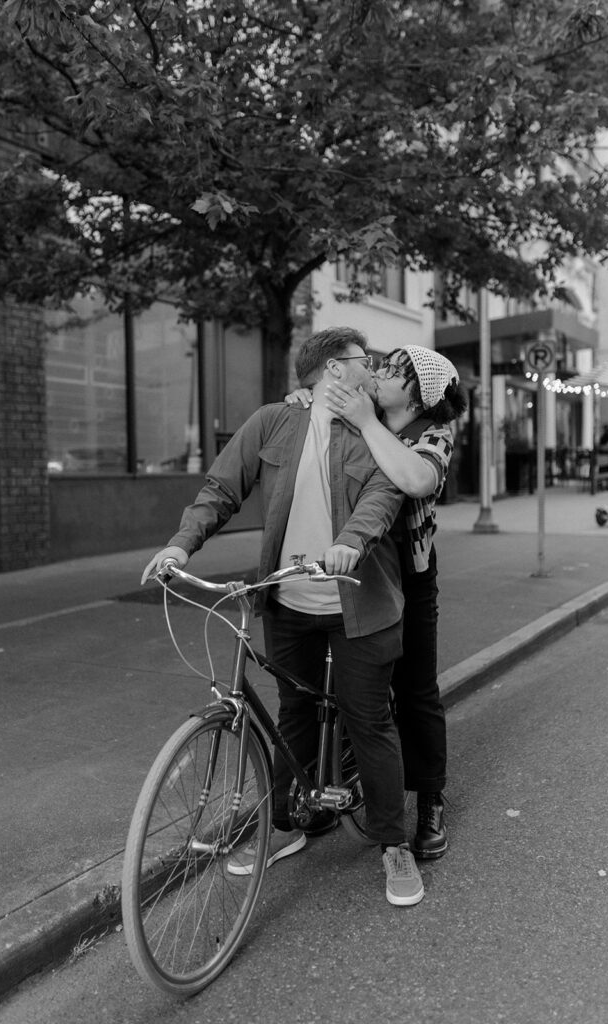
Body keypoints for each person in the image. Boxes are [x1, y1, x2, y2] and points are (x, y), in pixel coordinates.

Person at [142, 326, 424, 907]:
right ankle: (287, 826)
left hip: (359, 603)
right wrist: (179, 546)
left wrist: (350, 541)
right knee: (292, 712)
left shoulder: (378, 432)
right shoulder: (274, 421)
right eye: (363, 361)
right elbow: (222, 487)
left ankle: (394, 843)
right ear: (334, 371)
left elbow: (381, 499)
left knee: (369, 720)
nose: (372, 369)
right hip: (288, 598)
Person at [286, 344, 467, 859]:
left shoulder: (433, 433)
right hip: (356, 570)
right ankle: (334, 783)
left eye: (393, 371)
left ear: (417, 394)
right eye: (381, 367)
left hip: (410, 579)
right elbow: (315, 406)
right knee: (346, 688)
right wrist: (305, 395)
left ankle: (429, 799)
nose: (380, 374)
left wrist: (368, 423)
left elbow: (414, 479)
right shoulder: (364, 408)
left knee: (415, 690)